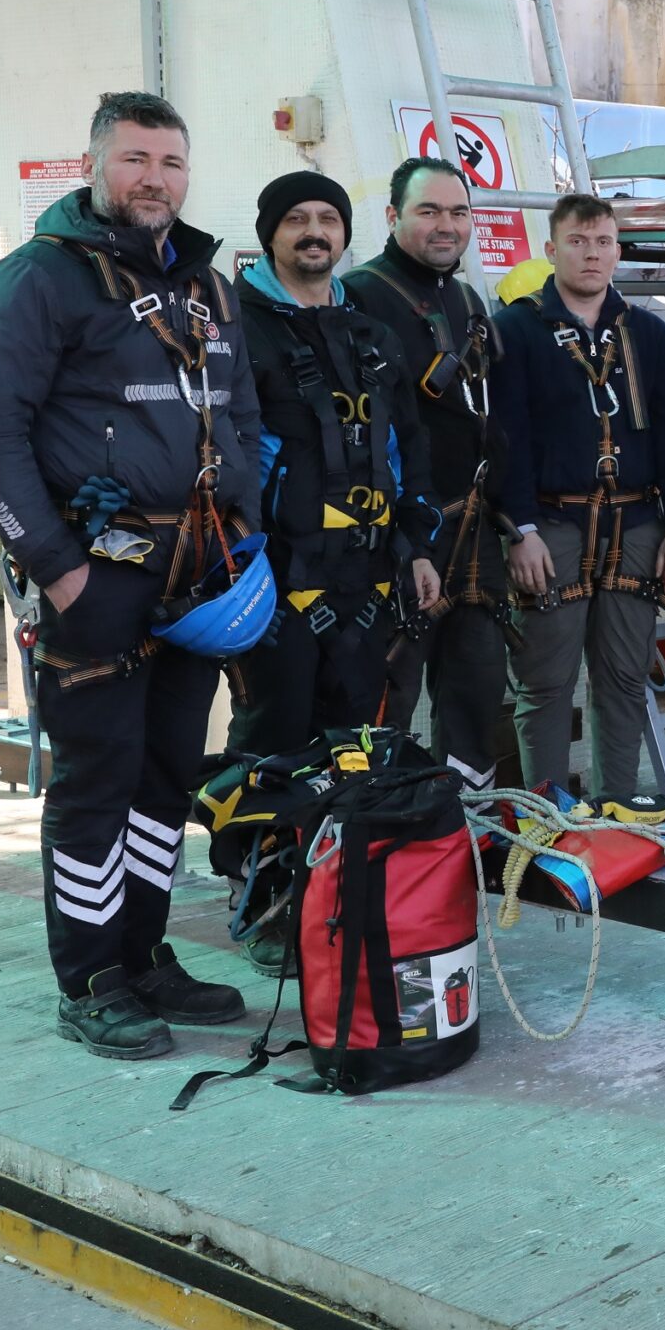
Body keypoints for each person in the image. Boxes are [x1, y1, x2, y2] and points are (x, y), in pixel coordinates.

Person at [0, 92, 262, 1056]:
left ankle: (144, 953)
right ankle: (89, 979)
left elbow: (241, 416)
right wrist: (59, 570)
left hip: (197, 576)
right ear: (93, 165)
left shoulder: (209, 287)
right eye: (134, 159)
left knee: (166, 776)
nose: (154, 179)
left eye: (170, 162)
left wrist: (244, 535)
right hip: (97, 573)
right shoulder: (35, 280)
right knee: (98, 779)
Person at [222, 172, 442, 976]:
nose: (314, 231)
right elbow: (223, 449)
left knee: (353, 742)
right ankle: (261, 899)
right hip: (276, 577)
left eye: (327, 218)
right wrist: (237, 562)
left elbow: (408, 446)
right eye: (296, 219)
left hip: (368, 577)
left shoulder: (369, 329)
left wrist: (417, 543)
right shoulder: (236, 327)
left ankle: (333, 893)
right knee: (273, 739)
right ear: (270, 233)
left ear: (346, 233)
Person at [493, 193, 665, 821]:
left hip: (636, 525)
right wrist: (519, 528)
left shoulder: (648, 335)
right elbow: (504, 440)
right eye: (578, 242)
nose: (592, 254)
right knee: (546, 682)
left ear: (617, 251)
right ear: (552, 249)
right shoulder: (516, 331)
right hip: (551, 525)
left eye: (604, 242)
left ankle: (618, 810)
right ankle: (545, 819)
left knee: (624, 677)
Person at [346, 157, 510, 794]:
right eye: (429, 211)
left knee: (477, 686)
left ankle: (466, 819)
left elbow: (490, 414)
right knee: (387, 687)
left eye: (458, 212)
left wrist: (514, 518)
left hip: (473, 527)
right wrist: (398, 534)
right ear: (393, 217)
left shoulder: (466, 299)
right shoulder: (360, 295)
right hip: (397, 531)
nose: (447, 225)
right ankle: (377, 820)